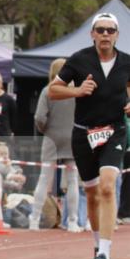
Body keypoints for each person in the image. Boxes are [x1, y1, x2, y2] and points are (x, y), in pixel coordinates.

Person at [48, 12, 130, 259]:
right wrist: (77, 91)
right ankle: (98, 246)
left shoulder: (127, 62)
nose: (105, 34)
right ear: (92, 34)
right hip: (83, 134)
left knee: (108, 186)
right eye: (100, 30)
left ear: (117, 35)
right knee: (93, 194)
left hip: (114, 132)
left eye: (110, 30)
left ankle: (105, 253)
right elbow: (53, 90)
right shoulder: (79, 60)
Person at [30, 57, 81, 232]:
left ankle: (34, 219)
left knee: (44, 179)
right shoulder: (76, 91)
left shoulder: (48, 90)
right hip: (73, 138)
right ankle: (73, 221)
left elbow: (39, 117)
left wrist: (44, 129)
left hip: (51, 138)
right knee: (73, 180)